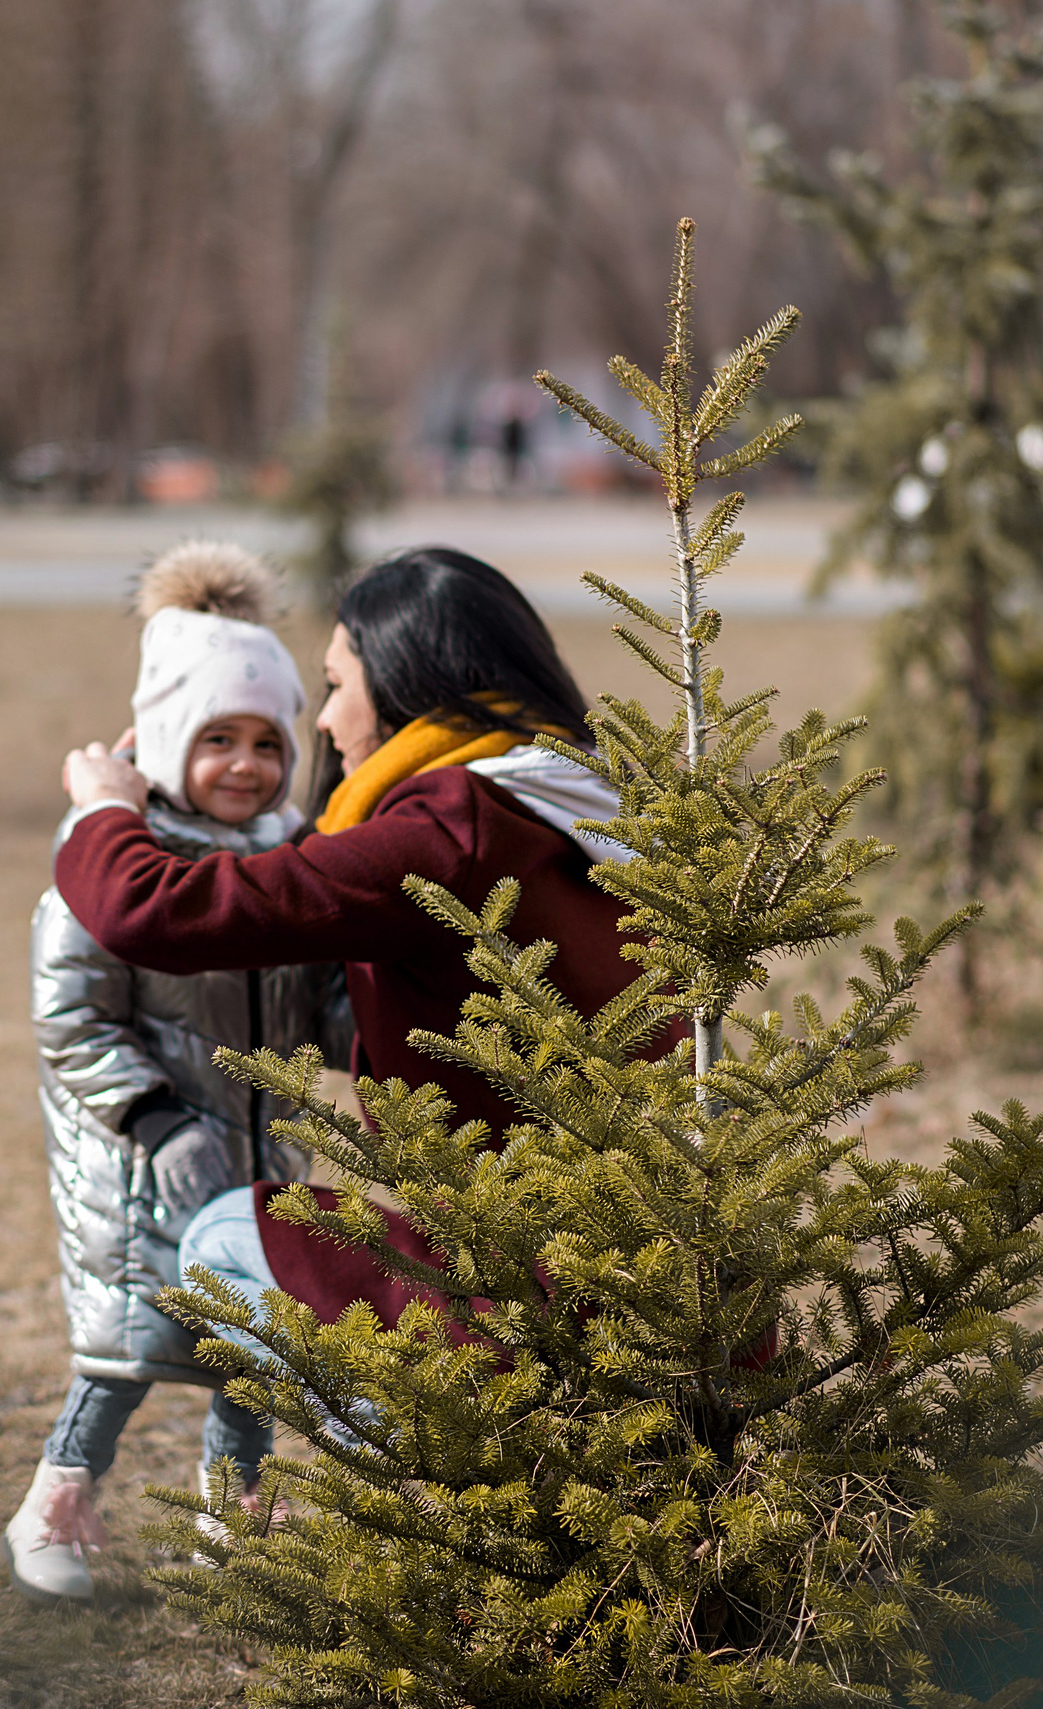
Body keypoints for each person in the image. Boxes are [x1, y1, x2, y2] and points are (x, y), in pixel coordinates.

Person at [54, 545, 642, 1493]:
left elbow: (156, 909)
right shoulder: (570, 799)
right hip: (636, 1269)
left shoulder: (450, 827)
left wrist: (104, 813)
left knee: (216, 1244)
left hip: (528, 1284)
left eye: (335, 684)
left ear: (405, 684)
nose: (323, 718)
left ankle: (460, 1458)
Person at [6, 541, 349, 1604]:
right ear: (164, 737)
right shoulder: (111, 864)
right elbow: (71, 1015)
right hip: (143, 1156)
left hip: (260, 1149)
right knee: (127, 1341)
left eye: (265, 742)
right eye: (216, 740)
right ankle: (56, 1500)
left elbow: (322, 996)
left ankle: (233, 1509)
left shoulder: (290, 860)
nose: (245, 764)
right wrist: (153, 1122)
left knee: (254, 1334)